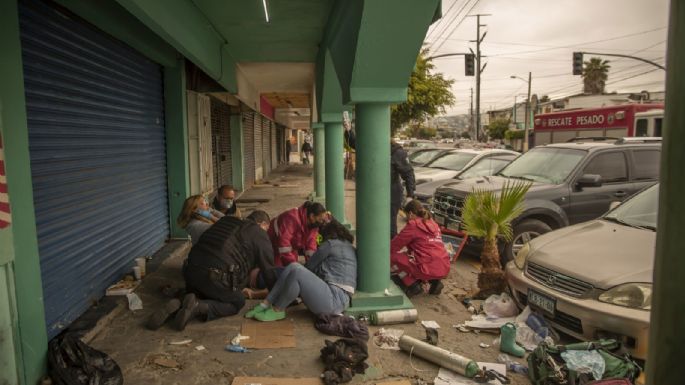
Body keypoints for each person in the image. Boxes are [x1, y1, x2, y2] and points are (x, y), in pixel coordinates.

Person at [147, 210, 279, 331]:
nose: (266, 234)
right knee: (236, 301)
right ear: (262, 224)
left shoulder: (226, 221)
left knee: (208, 290)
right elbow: (269, 270)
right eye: (266, 229)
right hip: (215, 276)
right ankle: (198, 307)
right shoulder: (259, 233)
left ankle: (181, 301)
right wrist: (278, 297)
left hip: (190, 270)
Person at [245, 219, 357, 321]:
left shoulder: (330, 244)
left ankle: (277, 310)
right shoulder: (348, 246)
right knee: (294, 266)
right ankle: (266, 303)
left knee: (297, 271)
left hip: (333, 300)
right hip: (340, 299)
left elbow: (309, 267)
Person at [390, 200, 450, 297]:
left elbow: (394, 246)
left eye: (406, 215)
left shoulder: (413, 225)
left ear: (410, 213)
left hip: (425, 268)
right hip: (443, 266)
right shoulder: (434, 223)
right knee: (425, 257)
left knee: (391, 257)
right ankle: (435, 282)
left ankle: (412, 285)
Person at [268, 201, 328, 267]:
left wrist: (312, 264)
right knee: (278, 272)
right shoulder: (291, 218)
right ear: (312, 216)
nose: (322, 222)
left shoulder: (313, 225)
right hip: (272, 244)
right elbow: (284, 245)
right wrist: (295, 266)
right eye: (321, 219)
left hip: (291, 246)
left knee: (293, 268)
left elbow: (311, 245)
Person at [391, 140, 416, 238]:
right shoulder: (370, 146)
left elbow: (408, 173)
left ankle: (391, 248)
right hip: (377, 194)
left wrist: (410, 194)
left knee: (389, 224)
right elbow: (356, 144)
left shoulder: (397, 152)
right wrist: (349, 132)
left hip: (392, 195)